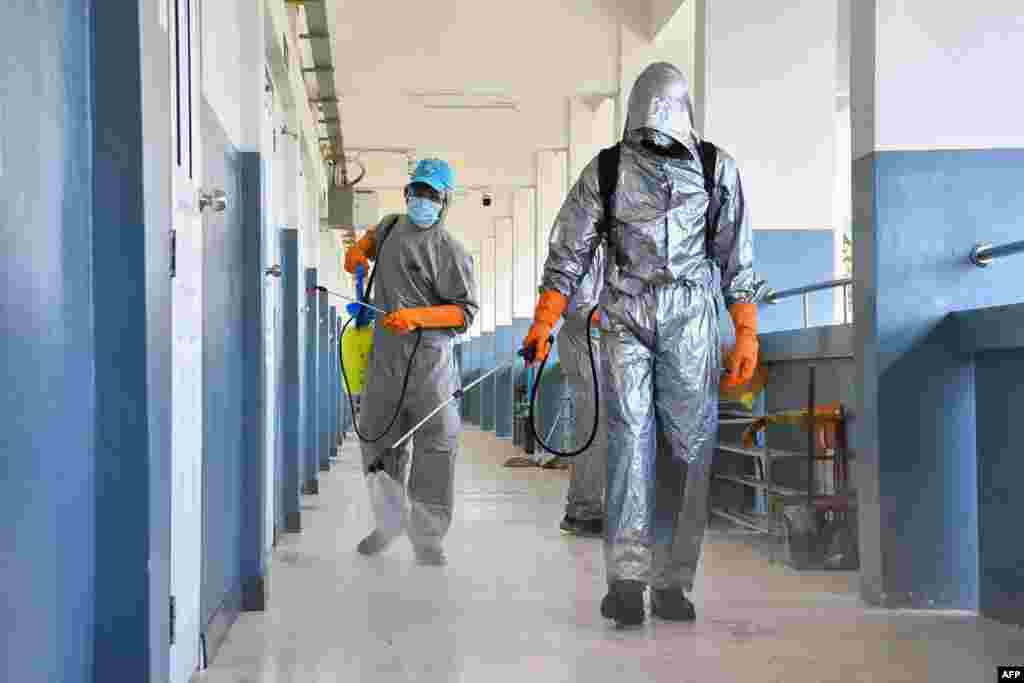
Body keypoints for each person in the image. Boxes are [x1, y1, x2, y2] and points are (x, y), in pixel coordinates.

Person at [522, 62, 759, 625]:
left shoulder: (713, 167)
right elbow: (569, 253)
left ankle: (674, 581)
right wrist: (544, 320)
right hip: (624, 314)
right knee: (628, 441)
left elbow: (737, 256)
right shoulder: (606, 170)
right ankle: (627, 580)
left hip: (692, 319)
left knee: (688, 444)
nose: (655, 141)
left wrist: (745, 331)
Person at [344, 158, 478, 566]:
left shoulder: (451, 252)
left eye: (431, 194)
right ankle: (388, 524)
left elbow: (463, 312)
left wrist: (417, 316)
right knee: (377, 439)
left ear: (444, 201)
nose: (421, 200)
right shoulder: (388, 227)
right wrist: (356, 252)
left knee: (435, 448)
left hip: (429, 365)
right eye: (416, 191)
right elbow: (366, 243)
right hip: (385, 359)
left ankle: (428, 536)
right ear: (407, 193)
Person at [557, 246, 607, 537]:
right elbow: (581, 309)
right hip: (584, 344)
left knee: (603, 428)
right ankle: (583, 511)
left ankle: (591, 506)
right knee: (594, 428)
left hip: (601, 346)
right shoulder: (587, 248)